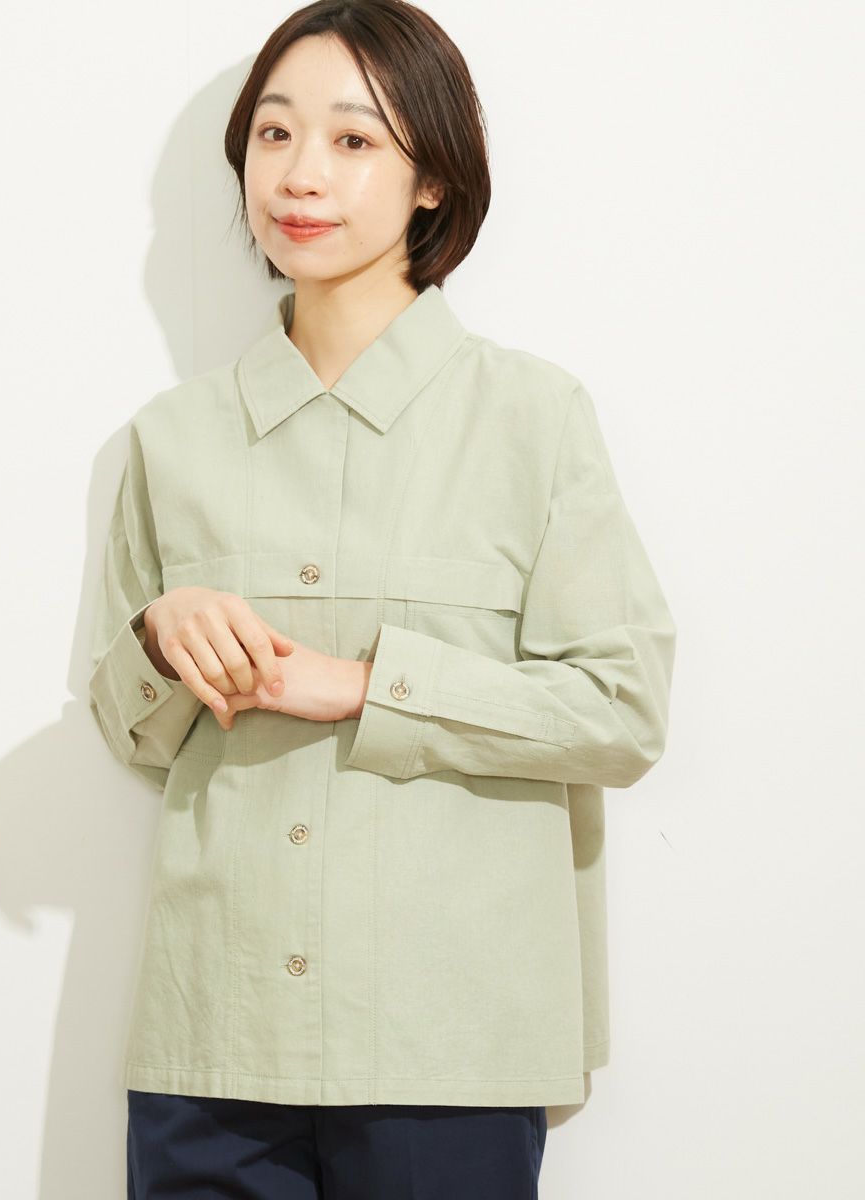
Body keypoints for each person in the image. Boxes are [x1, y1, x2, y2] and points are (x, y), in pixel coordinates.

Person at [88, 1, 678, 1196]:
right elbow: (133, 737)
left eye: (353, 140)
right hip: (216, 1040)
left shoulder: (534, 421)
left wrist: (367, 686)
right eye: (273, 134)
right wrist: (159, 636)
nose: (300, 175)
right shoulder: (172, 439)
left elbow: (622, 711)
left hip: (446, 1046)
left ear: (432, 179)